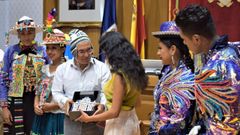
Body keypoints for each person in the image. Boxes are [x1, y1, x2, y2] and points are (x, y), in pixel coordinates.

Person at [175, 4, 240, 134]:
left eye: (184, 39)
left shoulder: (213, 70)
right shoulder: (233, 49)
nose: (184, 43)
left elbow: (225, 128)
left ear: (196, 39)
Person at [78, 31, 148, 135]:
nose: (105, 56)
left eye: (105, 52)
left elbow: (114, 112)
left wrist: (89, 118)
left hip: (118, 126)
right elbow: (137, 103)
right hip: (132, 122)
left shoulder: (119, 76)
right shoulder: (134, 71)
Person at [51, 29, 111, 135]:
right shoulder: (62, 69)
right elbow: (56, 92)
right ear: (74, 53)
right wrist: (65, 101)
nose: (87, 54)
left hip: (95, 121)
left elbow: (106, 92)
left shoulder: (102, 68)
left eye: (89, 50)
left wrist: (102, 105)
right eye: (81, 52)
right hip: (71, 121)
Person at [0, 16, 49, 135]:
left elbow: (49, 76)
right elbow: (3, 79)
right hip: (15, 100)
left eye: (30, 33)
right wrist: (4, 108)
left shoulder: (43, 51)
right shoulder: (11, 51)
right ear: (18, 35)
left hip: (37, 100)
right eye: (23, 33)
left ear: (34, 34)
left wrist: (44, 100)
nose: (26, 37)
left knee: (36, 131)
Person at [148, 21, 195, 135]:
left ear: (173, 50)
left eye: (160, 48)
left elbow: (182, 120)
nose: (158, 53)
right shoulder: (168, 71)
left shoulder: (185, 78)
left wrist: (164, 129)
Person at [31, 29, 67, 135]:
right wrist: (36, 105)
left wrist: (53, 106)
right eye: (48, 48)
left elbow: (70, 96)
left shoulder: (67, 69)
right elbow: (38, 92)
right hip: (42, 116)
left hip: (58, 116)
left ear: (63, 48)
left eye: (54, 48)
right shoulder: (43, 69)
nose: (50, 51)